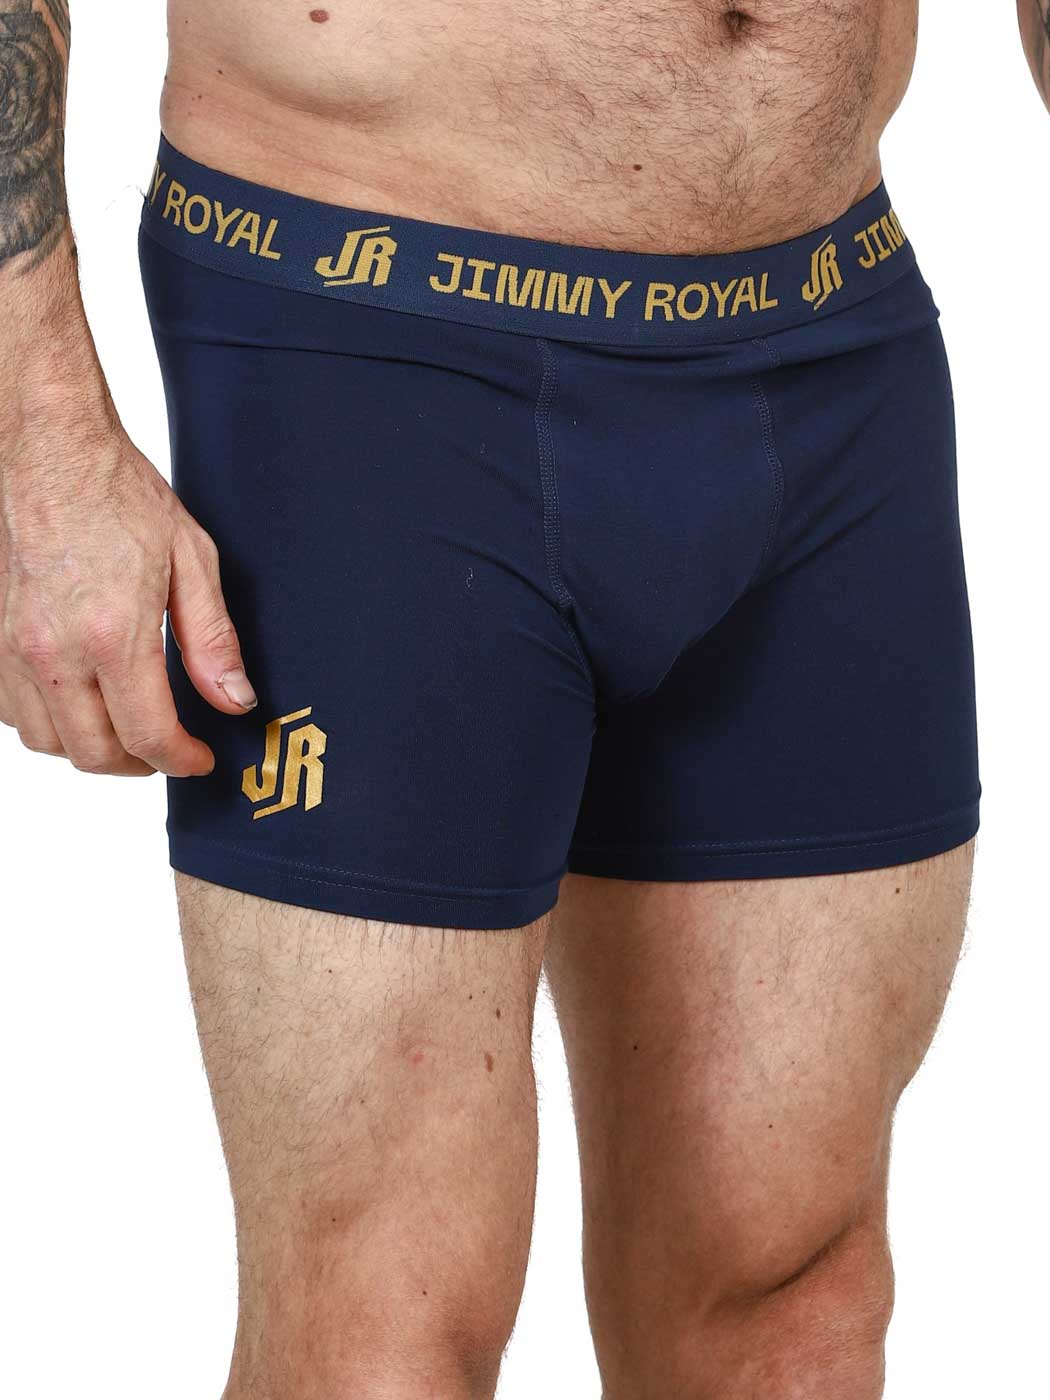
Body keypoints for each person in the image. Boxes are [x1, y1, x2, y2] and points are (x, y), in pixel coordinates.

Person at [0, 4, 1044, 1397]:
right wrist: (32, 445)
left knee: (787, 1296)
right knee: (380, 1335)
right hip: (370, 347)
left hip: (830, 346)